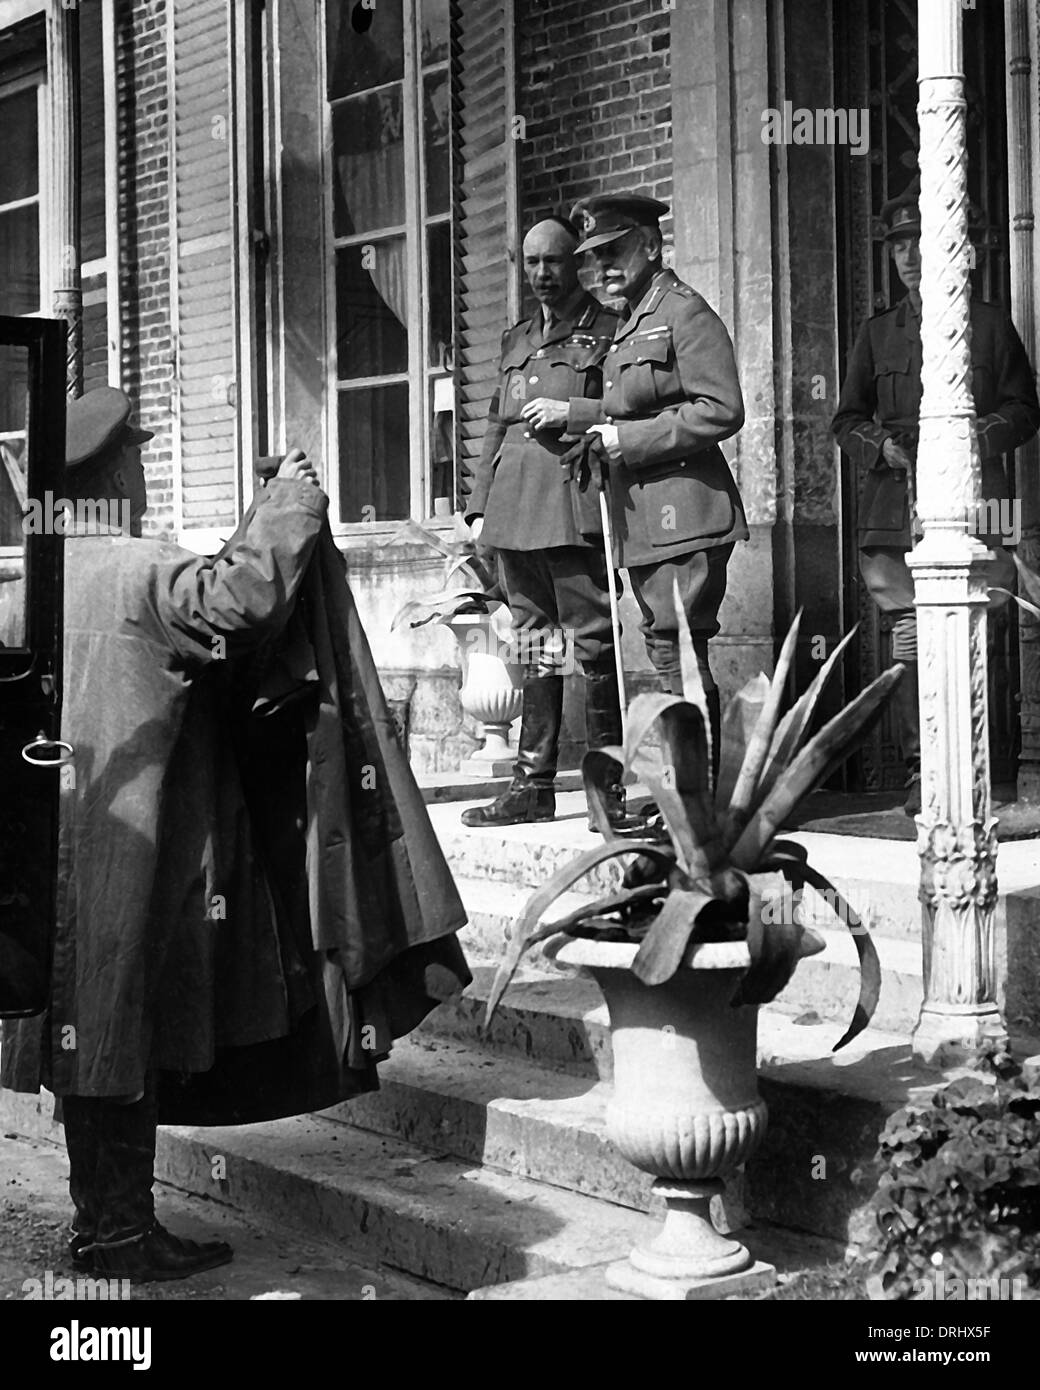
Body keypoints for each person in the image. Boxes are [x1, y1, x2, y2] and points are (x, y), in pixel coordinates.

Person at [1, 387, 470, 1281]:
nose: (143, 475)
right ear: (116, 477)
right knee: (119, 1029)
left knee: (86, 1033)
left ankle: (102, 1224)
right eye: (137, 460)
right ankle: (119, 1235)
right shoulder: (141, 570)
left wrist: (258, 516)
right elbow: (243, 599)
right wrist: (290, 500)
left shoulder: (35, 573)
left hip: (55, 851)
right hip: (132, 853)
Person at [832, 180, 1040, 813]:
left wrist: (975, 437)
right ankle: (922, 770)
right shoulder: (877, 333)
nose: (909, 257)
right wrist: (882, 447)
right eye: (898, 246)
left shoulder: (989, 324)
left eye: (919, 242)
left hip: (978, 504)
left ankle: (982, 769)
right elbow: (846, 419)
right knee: (909, 636)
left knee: (980, 628)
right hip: (895, 509)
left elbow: (1025, 410)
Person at [562, 193, 748, 768]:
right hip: (644, 519)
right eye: (596, 257)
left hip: (686, 514)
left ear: (649, 244)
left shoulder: (684, 313)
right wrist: (579, 417)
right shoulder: (632, 319)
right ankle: (683, 787)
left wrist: (632, 441)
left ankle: (696, 794)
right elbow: (633, 405)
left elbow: (722, 409)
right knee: (667, 649)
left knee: (679, 651)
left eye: (614, 251)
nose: (603, 268)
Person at [462, 216, 633, 828]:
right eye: (532, 263)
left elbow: (629, 406)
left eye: (553, 261)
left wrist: (574, 411)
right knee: (535, 643)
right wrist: (479, 506)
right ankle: (532, 786)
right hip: (514, 509)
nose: (541, 274)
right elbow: (495, 425)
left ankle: (605, 793)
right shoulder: (516, 339)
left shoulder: (611, 330)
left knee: (593, 644)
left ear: (576, 265)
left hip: (570, 503)